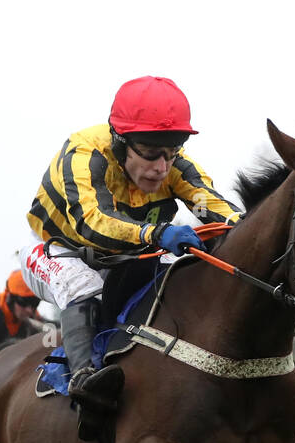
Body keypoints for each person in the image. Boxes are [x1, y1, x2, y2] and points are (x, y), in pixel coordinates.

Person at [20, 76, 242, 414]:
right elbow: (91, 222)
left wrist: (250, 228)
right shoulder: (84, 155)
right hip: (62, 249)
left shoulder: (172, 165)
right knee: (84, 286)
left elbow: (210, 204)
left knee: (183, 275)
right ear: (121, 142)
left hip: (126, 253)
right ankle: (84, 380)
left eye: (171, 153)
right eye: (152, 154)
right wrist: (155, 234)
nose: (161, 168)